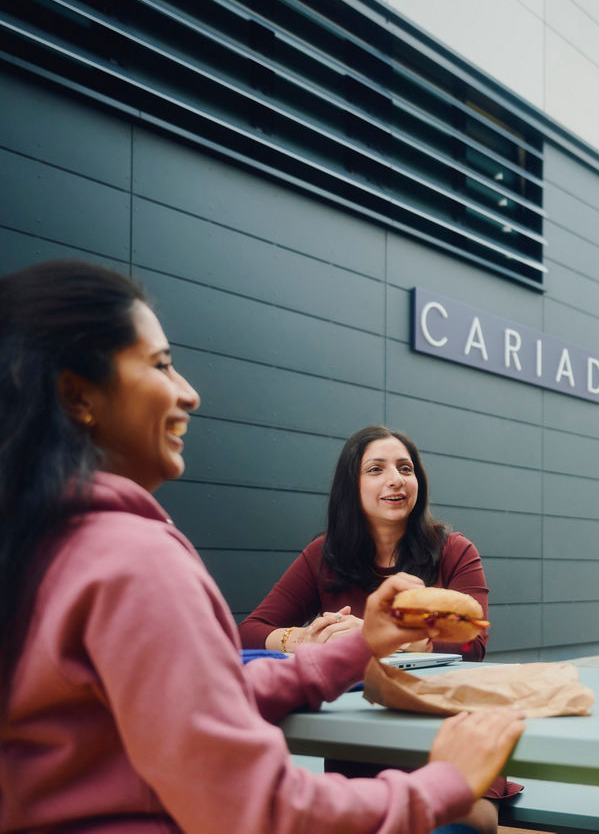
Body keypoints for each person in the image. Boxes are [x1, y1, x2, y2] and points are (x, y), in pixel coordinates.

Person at [0, 260, 524, 833]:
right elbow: (257, 807)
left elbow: (198, 695)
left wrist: (359, 647)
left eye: (405, 467)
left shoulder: (41, 541)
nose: (190, 394)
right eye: (161, 365)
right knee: (469, 817)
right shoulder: (134, 560)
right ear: (78, 396)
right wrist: (441, 783)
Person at [239, 425, 489, 661]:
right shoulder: (324, 553)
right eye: (375, 469)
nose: (396, 480)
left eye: (405, 468)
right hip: (344, 698)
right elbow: (247, 634)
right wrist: (306, 638)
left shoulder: (455, 551)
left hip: (430, 696)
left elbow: (473, 646)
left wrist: (383, 635)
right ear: (351, 486)